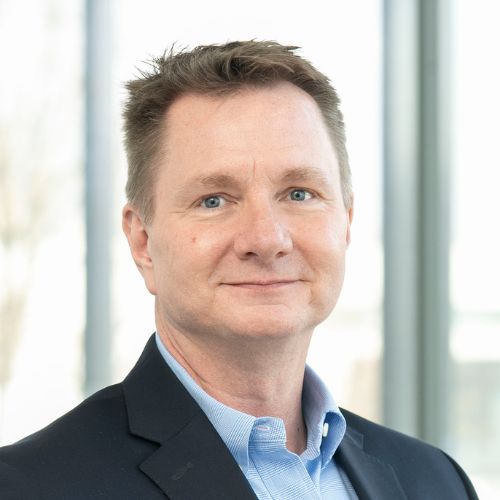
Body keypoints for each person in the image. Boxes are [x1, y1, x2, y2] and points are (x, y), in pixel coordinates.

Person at [0, 40, 477, 500]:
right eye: (213, 200)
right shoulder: (28, 487)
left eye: (299, 194)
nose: (266, 239)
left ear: (346, 222)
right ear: (143, 242)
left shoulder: (435, 480)